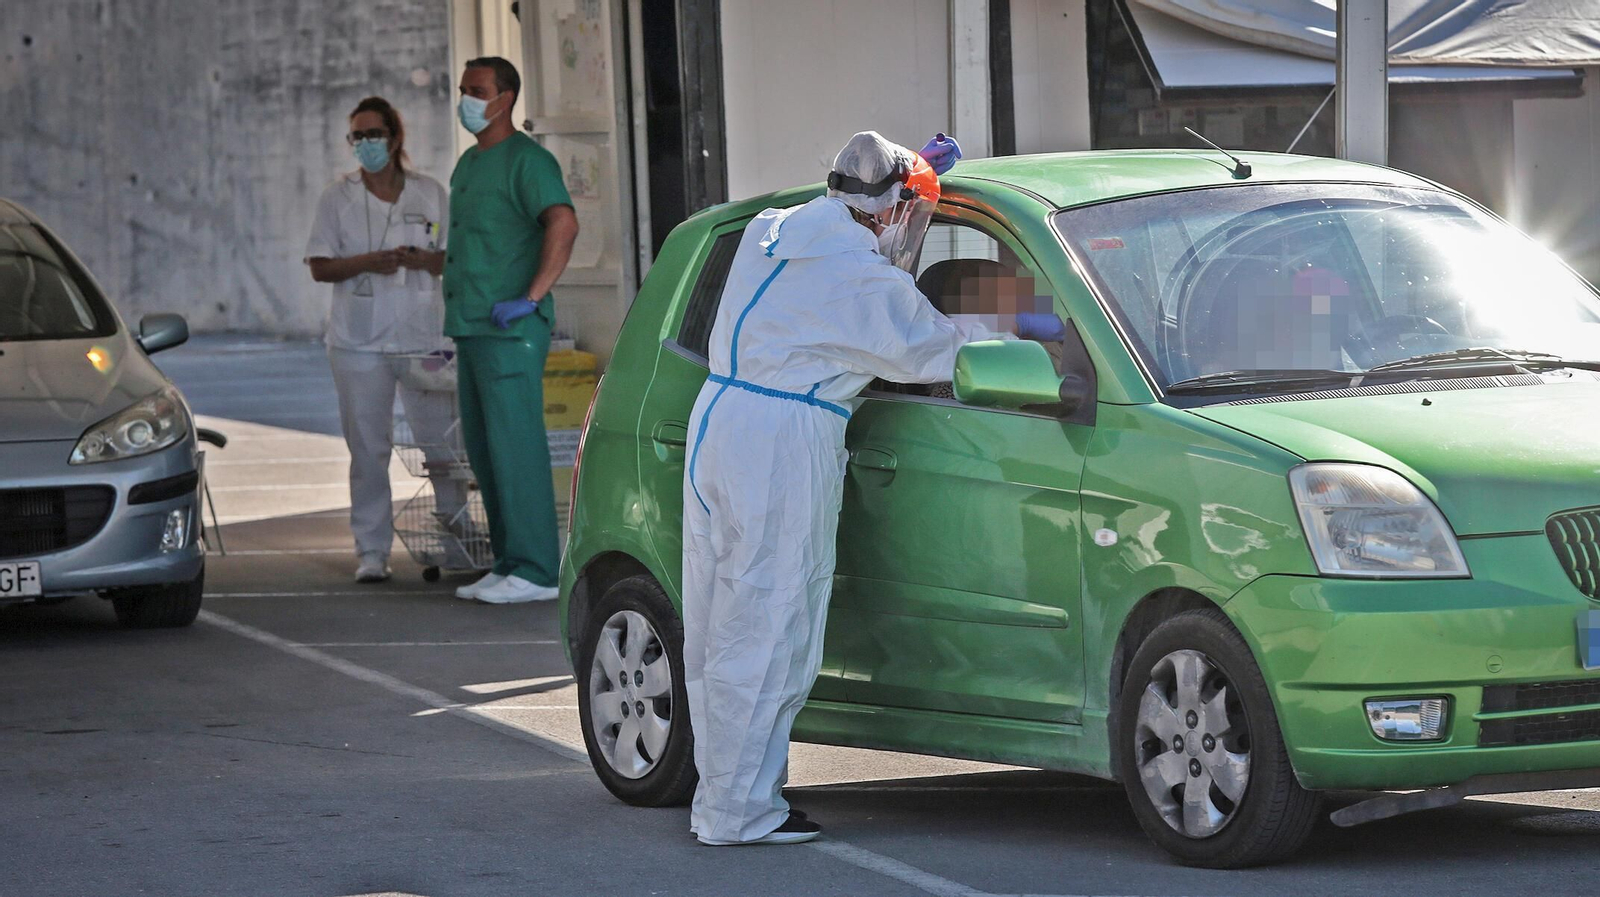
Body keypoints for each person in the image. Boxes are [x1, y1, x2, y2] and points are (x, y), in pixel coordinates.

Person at [681, 131, 1009, 846]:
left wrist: (911, 172)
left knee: (717, 622)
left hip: (718, 421)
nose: (909, 233)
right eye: (910, 216)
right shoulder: (860, 282)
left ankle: (722, 794)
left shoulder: (777, 231)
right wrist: (1030, 339)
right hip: (781, 441)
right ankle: (739, 812)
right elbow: (941, 353)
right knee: (769, 628)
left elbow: (843, 213)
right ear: (887, 211)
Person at [305, 96, 461, 583]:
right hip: (358, 341)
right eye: (358, 137)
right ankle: (371, 550)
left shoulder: (429, 192)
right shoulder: (338, 197)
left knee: (442, 443)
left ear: (395, 138)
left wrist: (420, 260)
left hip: (424, 337)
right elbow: (320, 265)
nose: (367, 145)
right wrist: (368, 262)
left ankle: (456, 535)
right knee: (368, 448)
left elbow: (453, 258)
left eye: (375, 134)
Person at [443, 57, 580, 605]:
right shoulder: (469, 164)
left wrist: (531, 297)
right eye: (463, 91)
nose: (467, 101)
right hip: (472, 325)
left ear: (506, 98)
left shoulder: (528, 161)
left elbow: (563, 223)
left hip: (509, 329)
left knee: (515, 446)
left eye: (477, 91)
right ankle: (508, 562)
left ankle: (537, 569)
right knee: (485, 449)